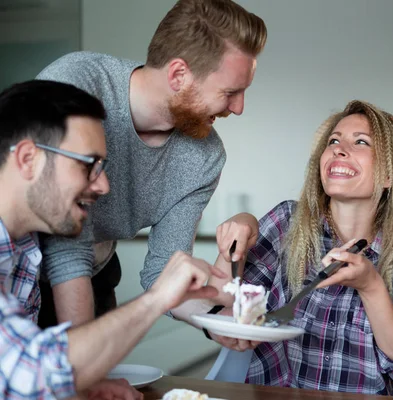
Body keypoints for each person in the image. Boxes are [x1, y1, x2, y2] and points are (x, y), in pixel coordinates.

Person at [35, 0, 267, 329]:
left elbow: (164, 271)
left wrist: (219, 323)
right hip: (18, 275)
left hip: (94, 278)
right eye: (231, 92)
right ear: (178, 75)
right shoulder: (77, 85)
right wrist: (83, 362)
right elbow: (64, 243)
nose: (239, 107)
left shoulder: (204, 156)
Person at [0, 79, 226, 399]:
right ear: (27, 159)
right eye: (89, 165)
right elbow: (33, 372)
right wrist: (156, 299)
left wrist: (80, 389)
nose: (104, 186)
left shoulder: (23, 248)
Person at [197, 100, 393, 395]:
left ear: (390, 175)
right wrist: (238, 232)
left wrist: (371, 286)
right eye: (333, 141)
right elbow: (223, 304)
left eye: (360, 142)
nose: (338, 148)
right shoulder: (287, 222)